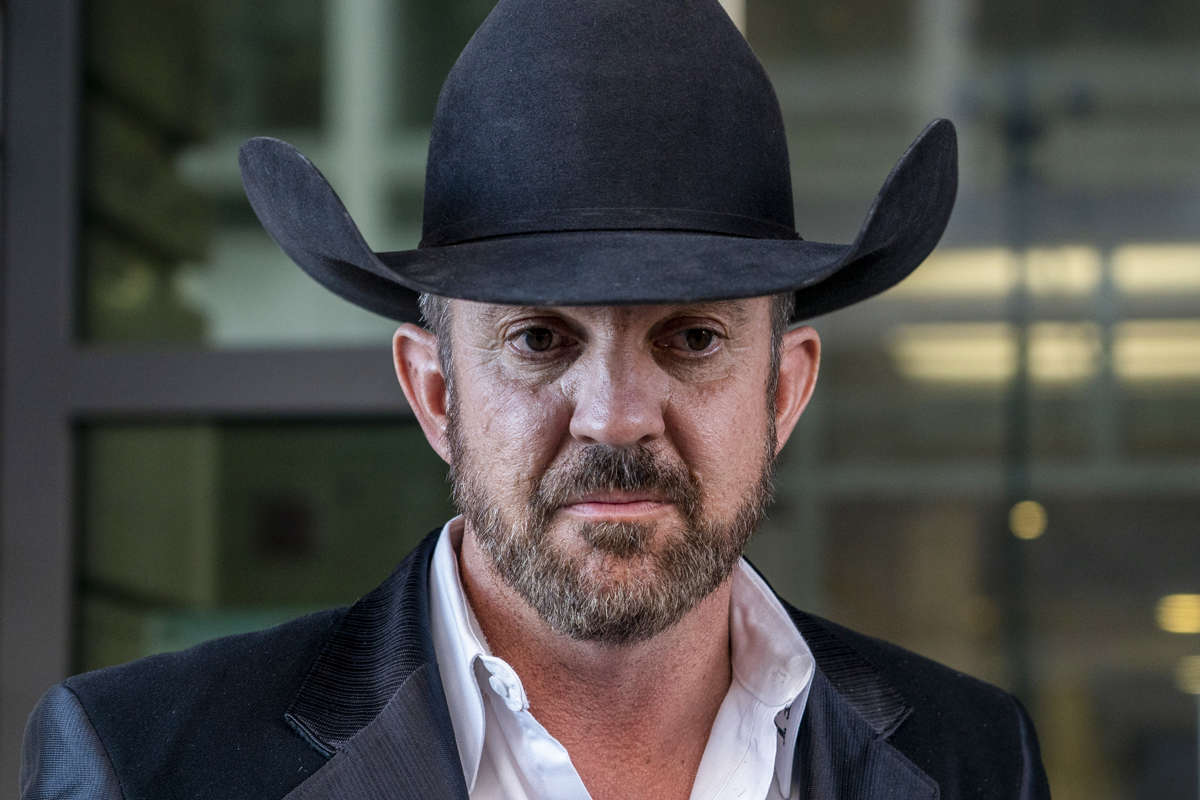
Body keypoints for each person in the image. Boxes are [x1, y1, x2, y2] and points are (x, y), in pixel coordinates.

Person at [21, 0, 1050, 798]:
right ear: (435, 391)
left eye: (692, 338)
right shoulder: (149, 766)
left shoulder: (973, 761)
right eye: (539, 340)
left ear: (783, 389)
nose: (615, 414)